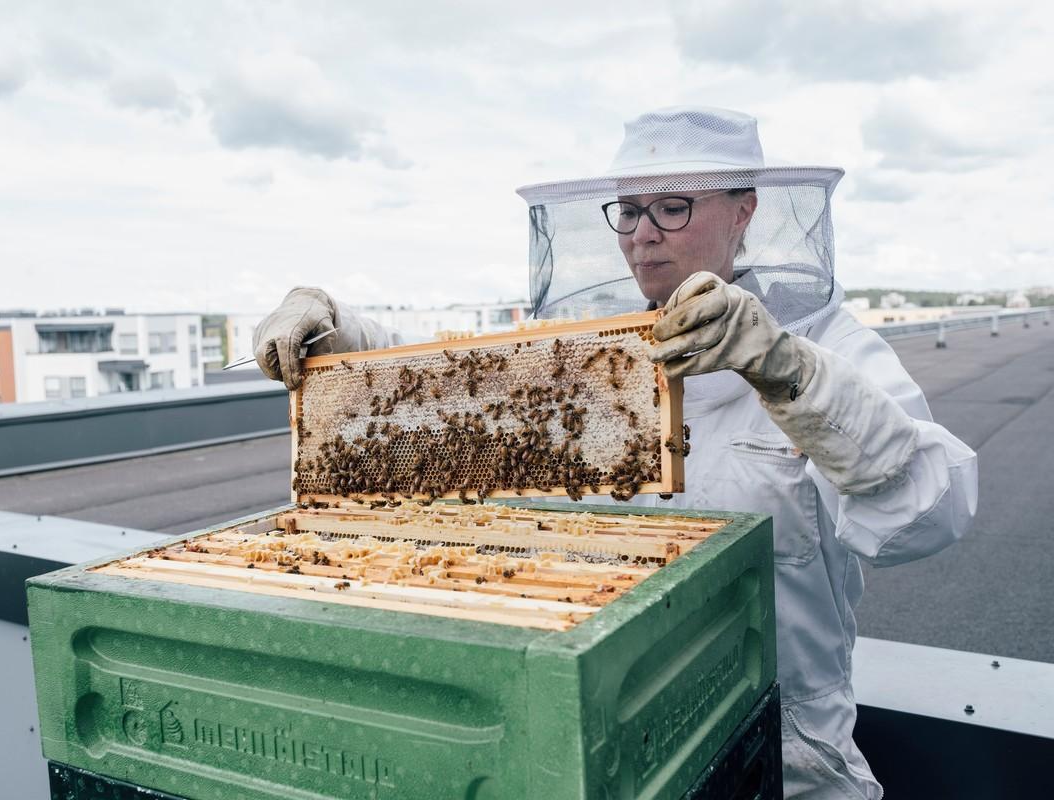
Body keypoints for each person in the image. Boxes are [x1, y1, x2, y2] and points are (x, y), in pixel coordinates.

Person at [253, 107, 978, 799]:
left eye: (671, 208)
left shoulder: (833, 351)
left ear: (744, 210)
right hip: (615, 741)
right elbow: (453, 390)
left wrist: (790, 373)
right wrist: (338, 332)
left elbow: (928, 510)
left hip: (787, 755)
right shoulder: (593, 359)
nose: (641, 236)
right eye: (629, 212)